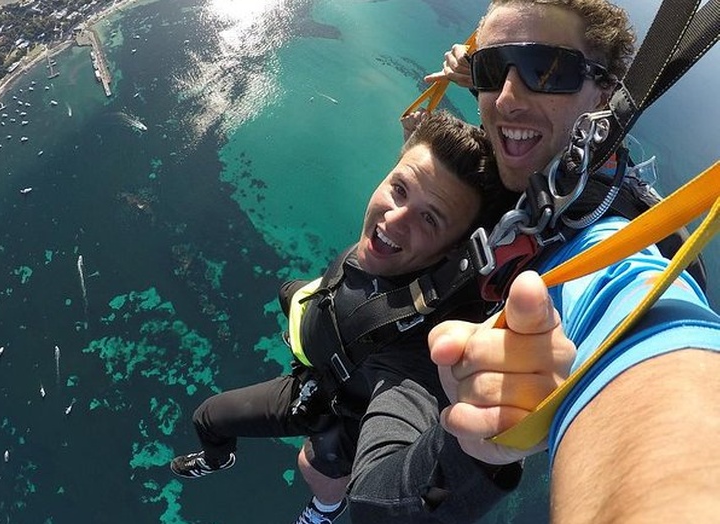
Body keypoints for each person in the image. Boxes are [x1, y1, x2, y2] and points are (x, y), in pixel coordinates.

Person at [347, 1, 720, 522]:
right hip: (398, 321)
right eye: (495, 71)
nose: (506, 99)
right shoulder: (542, 166)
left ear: (606, 92)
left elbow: (643, 332)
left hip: (420, 361)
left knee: (324, 465)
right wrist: (468, 72)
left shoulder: (604, 245)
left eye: (549, 71)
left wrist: (473, 450)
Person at [169, 110, 523, 524]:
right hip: (327, 324)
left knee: (307, 461)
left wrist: (477, 456)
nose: (393, 219)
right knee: (212, 413)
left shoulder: (417, 354)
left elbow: (383, 496)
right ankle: (222, 458)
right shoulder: (396, 249)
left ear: (455, 252)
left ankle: (324, 510)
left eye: (430, 218)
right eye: (399, 188)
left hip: (330, 401)